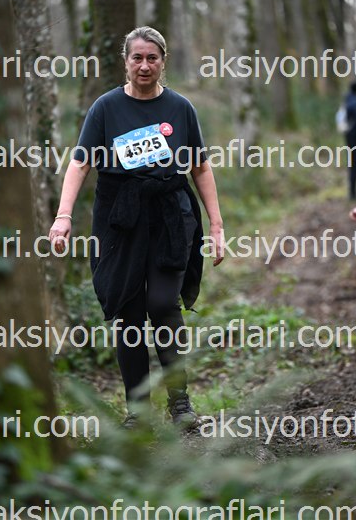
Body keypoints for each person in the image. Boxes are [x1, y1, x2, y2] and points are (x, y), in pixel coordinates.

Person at [49, 26, 224, 429]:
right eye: (137, 58)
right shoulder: (105, 108)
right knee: (128, 314)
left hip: (169, 213)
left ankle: (180, 405)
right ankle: (138, 412)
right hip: (119, 217)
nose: (144, 65)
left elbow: (200, 167)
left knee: (162, 304)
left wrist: (216, 225)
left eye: (152, 58)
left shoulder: (180, 108)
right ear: (125, 62)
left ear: (163, 61)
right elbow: (80, 162)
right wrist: (63, 215)